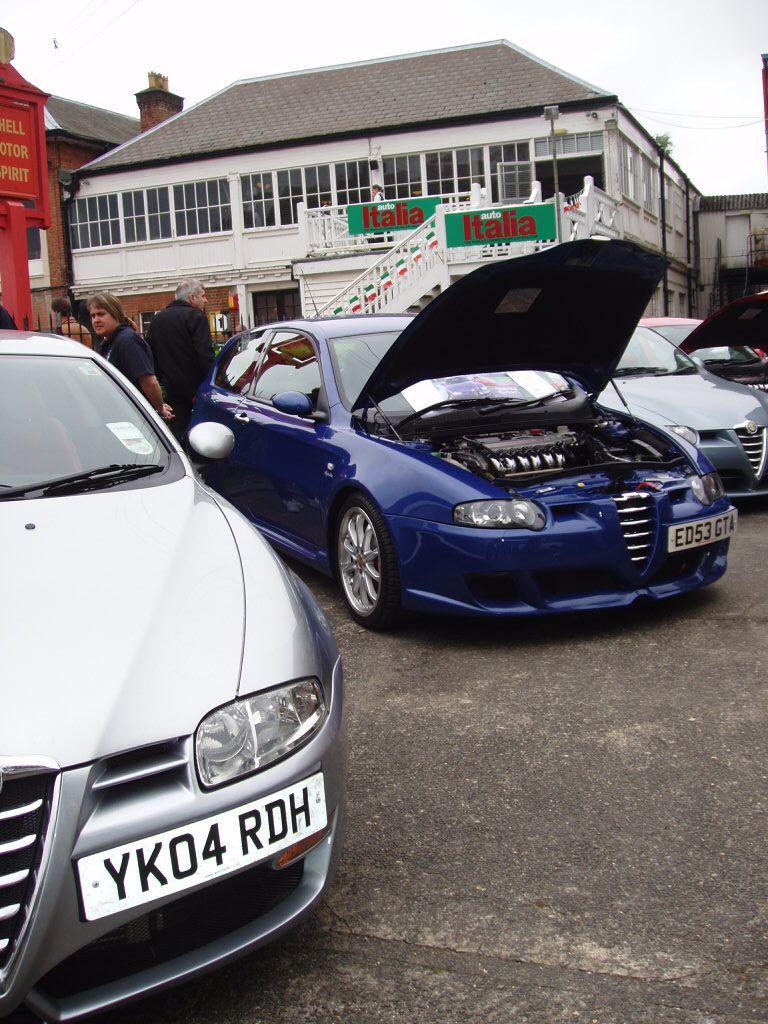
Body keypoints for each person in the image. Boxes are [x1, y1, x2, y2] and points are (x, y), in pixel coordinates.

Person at [86, 292, 172, 422]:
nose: (96, 320)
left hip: (132, 417)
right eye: (92, 316)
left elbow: (149, 382)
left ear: (115, 314)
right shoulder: (109, 342)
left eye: (101, 314)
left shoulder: (127, 340)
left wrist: (159, 409)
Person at [146, 279, 214, 440]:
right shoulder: (196, 317)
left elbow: (152, 356)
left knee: (178, 433)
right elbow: (205, 354)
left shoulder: (157, 320)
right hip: (196, 390)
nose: (206, 300)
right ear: (192, 297)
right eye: (203, 296)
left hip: (171, 390)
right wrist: (212, 381)